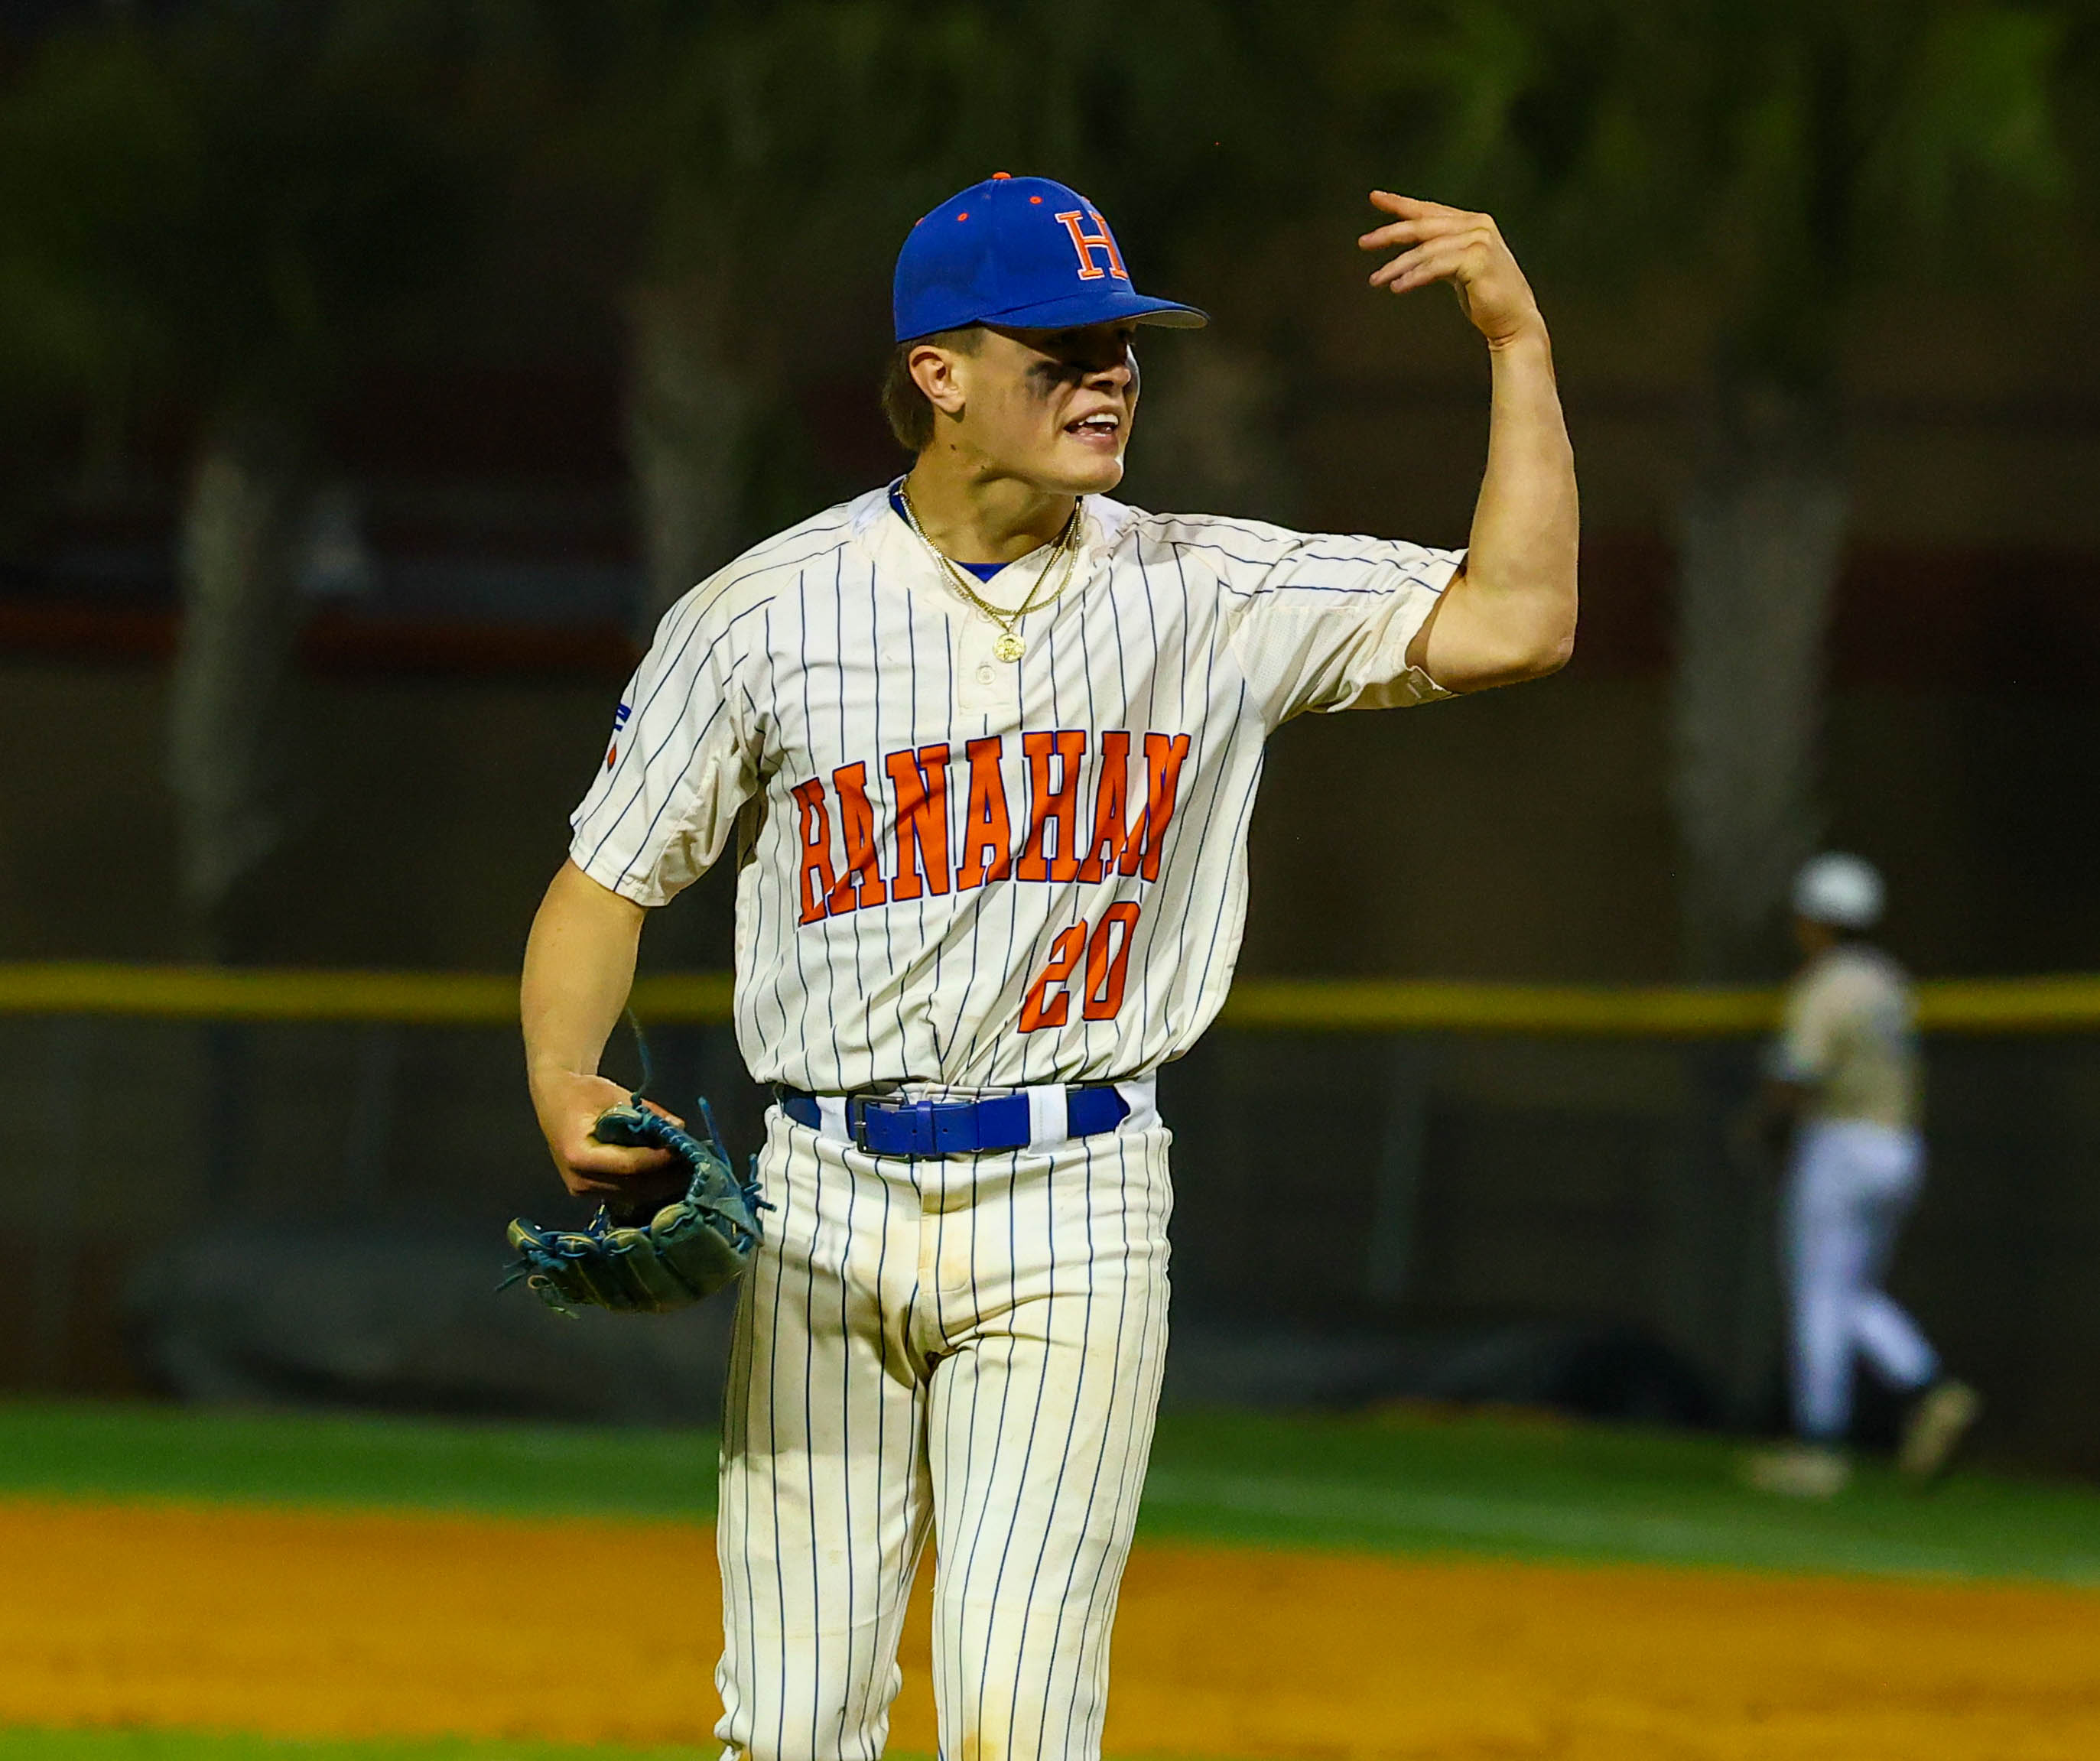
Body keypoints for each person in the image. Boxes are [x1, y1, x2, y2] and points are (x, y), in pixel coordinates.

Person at [521, 173, 1577, 1761]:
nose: (1108, 380)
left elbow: (1520, 618)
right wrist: (562, 1076)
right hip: (822, 1198)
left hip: (1075, 1199)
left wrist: (1515, 344)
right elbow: (605, 882)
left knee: (1021, 1715)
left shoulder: (1205, 587)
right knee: (793, 1723)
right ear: (938, 373)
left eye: (1119, 349)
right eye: (1061, 352)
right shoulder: (762, 614)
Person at [1744, 853, 1980, 1498]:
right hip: (1899, 1145)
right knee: (1851, 1293)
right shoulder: (1889, 982)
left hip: (1842, 1144)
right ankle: (1928, 1385)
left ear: (1816, 920)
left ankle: (1820, 1444)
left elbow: (1795, 1076)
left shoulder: (1826, 984)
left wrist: (1763, 1131)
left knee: (1820, 1296)